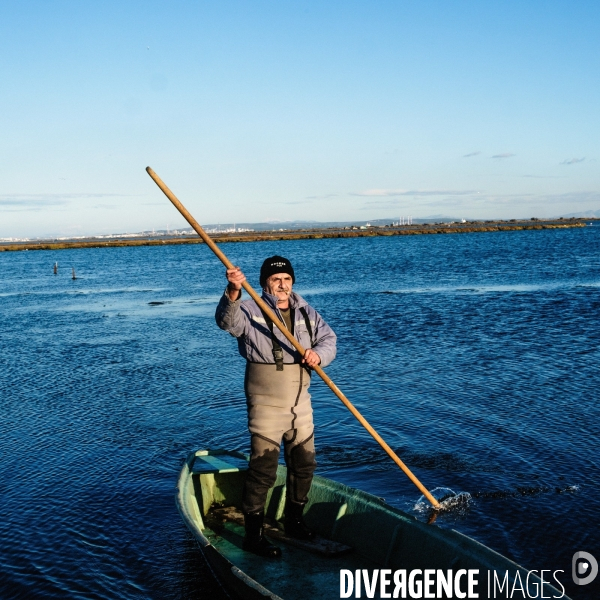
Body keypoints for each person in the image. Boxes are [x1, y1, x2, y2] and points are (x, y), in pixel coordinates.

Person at [215, 255, 337, 558]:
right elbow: (226, 322)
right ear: (265, 283)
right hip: (266, 402)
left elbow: (329, 339)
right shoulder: (248, 307)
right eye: (275, 280)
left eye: (286, 279)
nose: (282, 285)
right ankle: (253, 536)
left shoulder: (306, 310)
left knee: (305, 465)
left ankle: (295, 521)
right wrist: (233, 291)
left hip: (301, 402)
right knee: (263, 470)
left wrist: (319, 356)